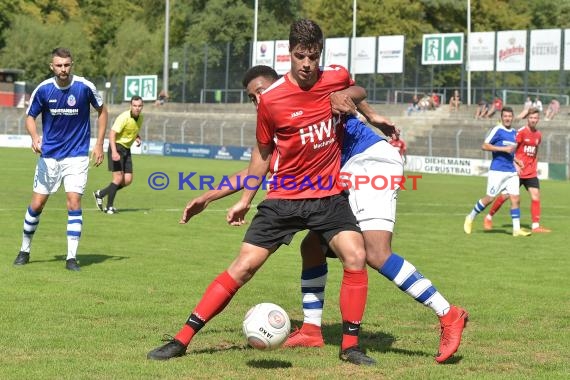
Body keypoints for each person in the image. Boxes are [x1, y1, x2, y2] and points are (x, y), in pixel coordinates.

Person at [178, 65, 468, 364]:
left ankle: (448, 313)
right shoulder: (281, 116)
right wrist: (208, 198)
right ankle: (312, 330)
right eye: (252, 98)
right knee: (311, 247)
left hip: (368, 161)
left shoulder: (309, 94)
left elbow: (347, 84)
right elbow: (256, 168)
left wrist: (368, 113)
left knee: (375, 252)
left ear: (278, 84)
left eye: (260, 92)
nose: (258, 101)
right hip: (347, 169)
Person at [147, 19, 375, 366]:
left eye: (313, 56)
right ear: (289, 54)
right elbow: (262, 156)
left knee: (355, 256)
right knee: (243, 268)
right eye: (300, 56)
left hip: (328, 196)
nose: (307, 64)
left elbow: (356, 89)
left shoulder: (335, 76)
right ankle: (181, 339)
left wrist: (345, 96)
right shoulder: (271, 102)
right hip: (284, 198)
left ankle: (350, 346)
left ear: (321, 54)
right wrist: (243, 200)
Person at [13, 47, 108, 271]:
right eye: (59, 65)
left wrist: (99, 143)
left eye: (66, 65)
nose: (63, 69)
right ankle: (24, 249)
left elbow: (103, 111)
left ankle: (71, 258)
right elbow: (30, 117)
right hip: (50, 157)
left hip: (76, 156)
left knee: (74, 202)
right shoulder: (44, 90)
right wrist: (35, 137)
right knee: (37, 205)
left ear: (71, 65)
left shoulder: (84, 87)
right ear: (52, 66)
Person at [463, 107, 531, 237]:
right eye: (505, 116)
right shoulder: (497, 130)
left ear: (512, 117)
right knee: (489, 198)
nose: (507, 118)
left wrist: (517, 161)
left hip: (511, 172)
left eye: (509, 116)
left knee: (515, 199)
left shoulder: (514, 133)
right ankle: (470, 217)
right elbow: (484, 146)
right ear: (501, 117)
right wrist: (502, 149)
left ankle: (516, 229)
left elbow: (511, 151)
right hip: (497, 171)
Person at [483, 108, 551, 233]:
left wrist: (535, 164)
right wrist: (515, 164)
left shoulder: (538, 135)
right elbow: (512, 148)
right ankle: (489, 217)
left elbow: (535, 151)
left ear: (538, 120)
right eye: (531, 118)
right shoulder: (520, 132)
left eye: (535, 118)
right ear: (527, 119)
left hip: (530, 172)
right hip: (516, 171)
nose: (533, 120)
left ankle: (535, 226)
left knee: (536, 196)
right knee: (505, 196)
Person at [93, 96, 143, 214]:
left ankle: (100, 194)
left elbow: (133, 130)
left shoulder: (140, 118)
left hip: (126, 149)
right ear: (131, 106)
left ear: (142, 107)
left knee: (128, 179)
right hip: (116, 147)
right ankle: (109, 206)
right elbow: (112, 134)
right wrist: (114, 152)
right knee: (118, 178)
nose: (137, 108)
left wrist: (137, 137)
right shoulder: (124, 117)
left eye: (139, 106)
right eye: (135, 106)